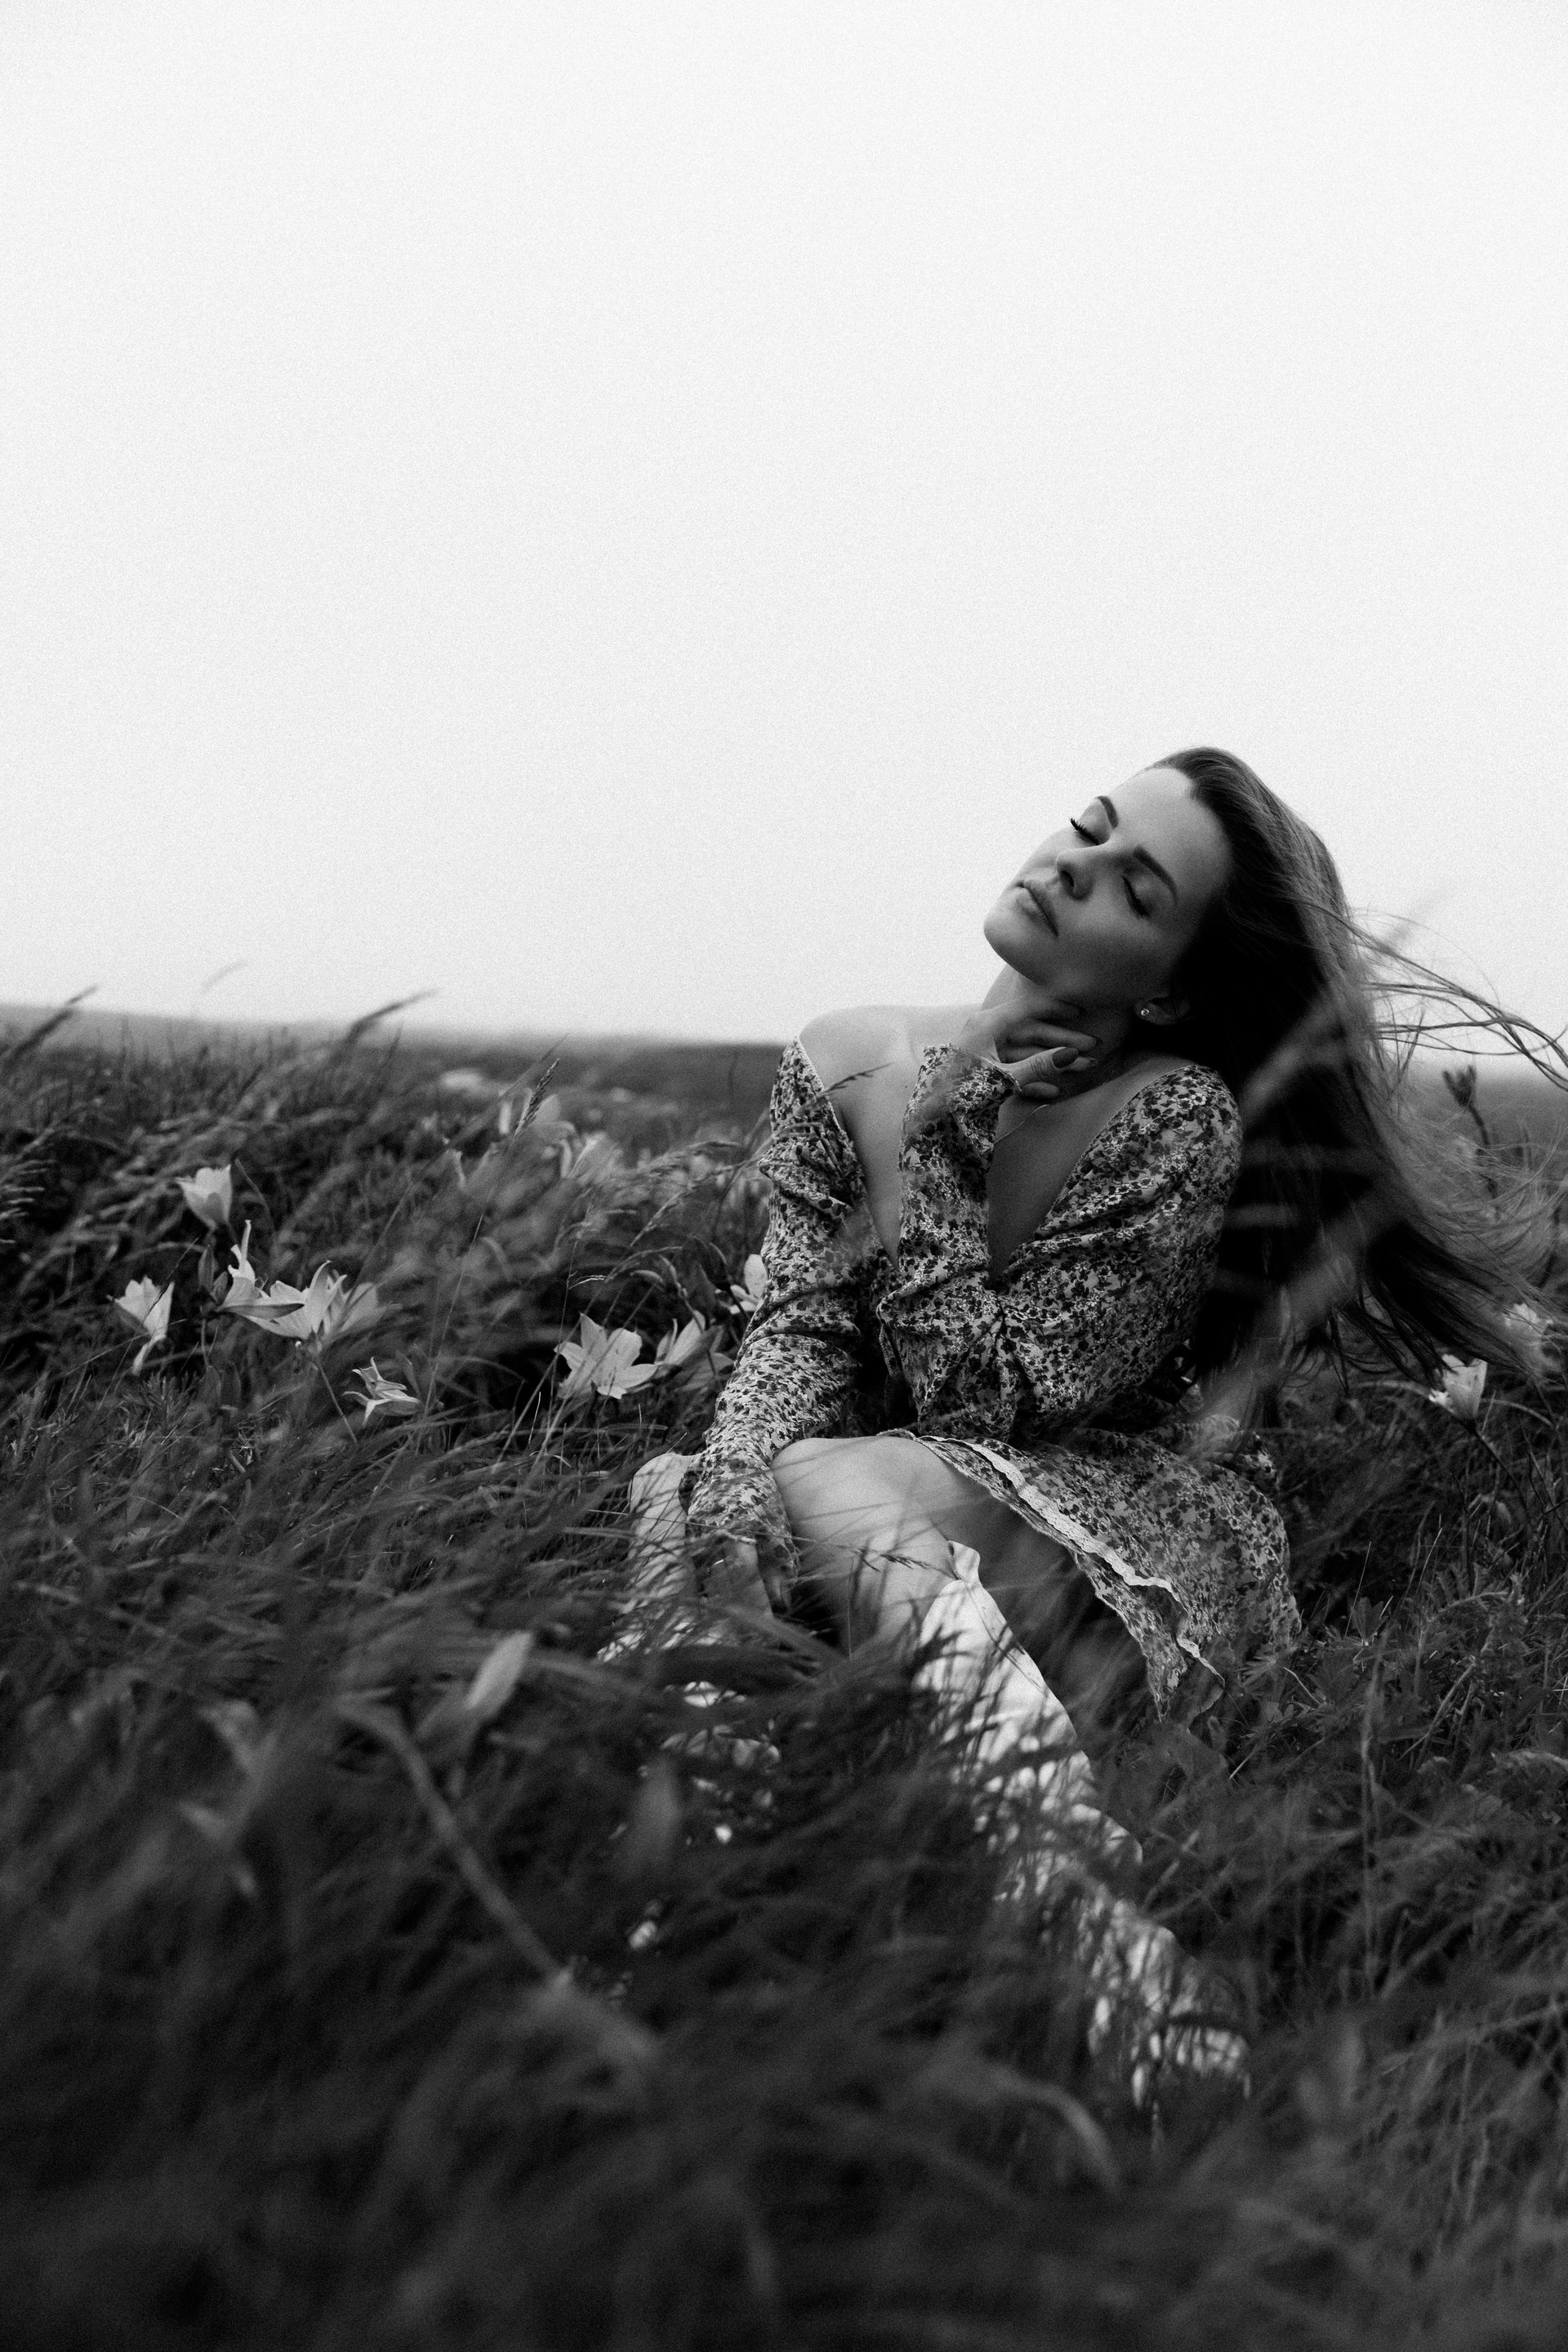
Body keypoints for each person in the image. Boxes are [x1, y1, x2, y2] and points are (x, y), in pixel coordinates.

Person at [625, 746, 1552, 2103]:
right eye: (1088, 828)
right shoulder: (839, 1053)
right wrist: (732, 1495)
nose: (1072, 866)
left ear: (1166, 982)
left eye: (1135, 886)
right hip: (886, 1505)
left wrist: (941, 1138)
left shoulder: (1173, 1117)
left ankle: (1086, 1922)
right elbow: (805, 1332)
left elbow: (987, 1405)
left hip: (1107, 1519)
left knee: (829, 1485)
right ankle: (682, 1920)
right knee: (695, 1507)